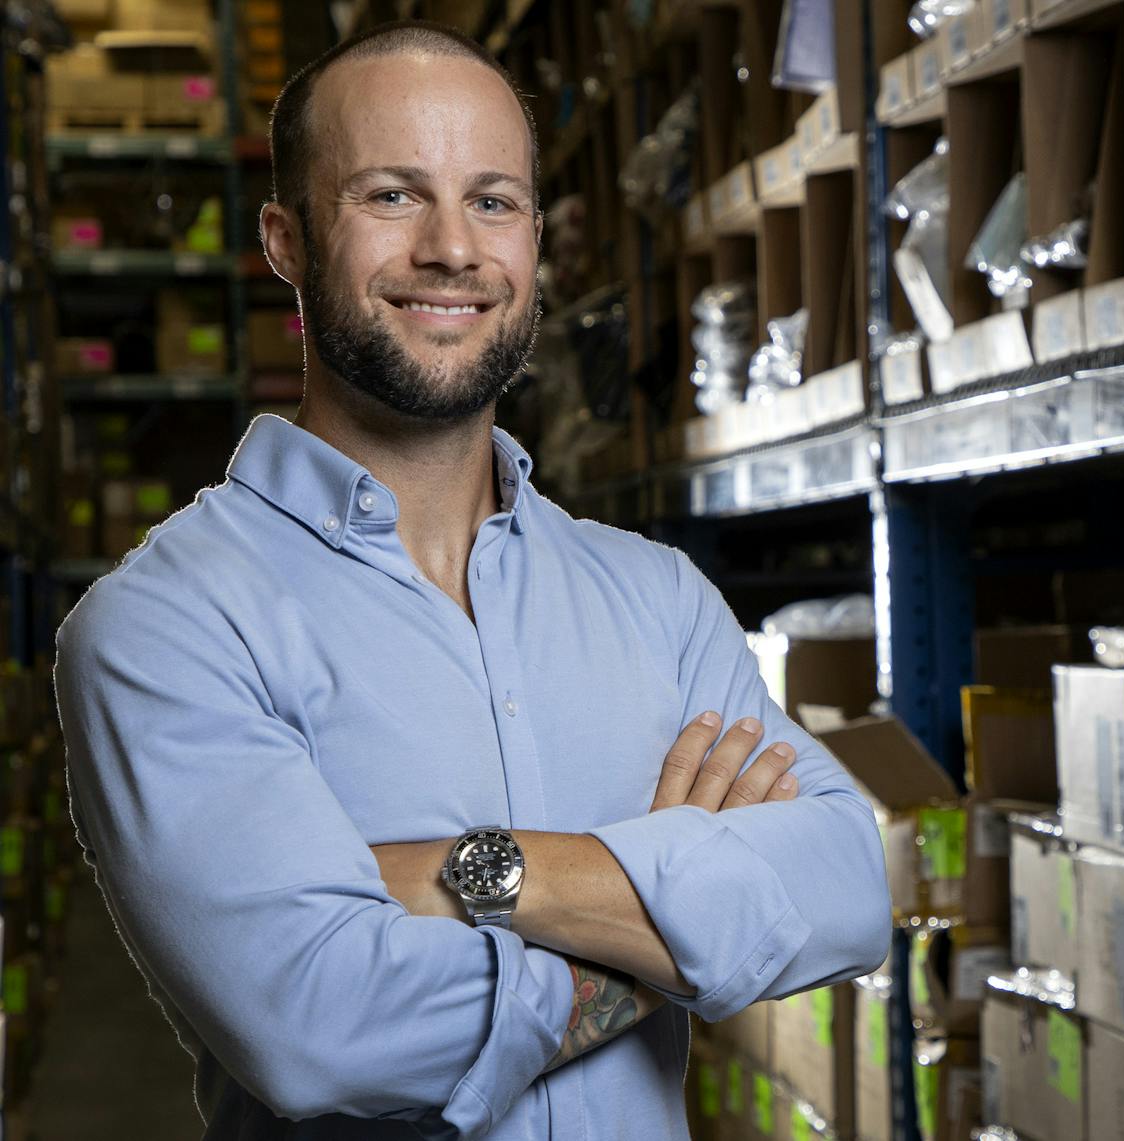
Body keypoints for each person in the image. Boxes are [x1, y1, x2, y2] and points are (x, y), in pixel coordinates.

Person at [53, 20, 890, 1140]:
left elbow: (844, 886)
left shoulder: (656, 596)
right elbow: (323, 1024)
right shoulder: (166, 627)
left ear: (535, 239)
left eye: (492, 201)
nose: (453, 249)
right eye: (392, 196)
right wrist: (691, 932)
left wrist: (480, 874)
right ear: (286, 240)